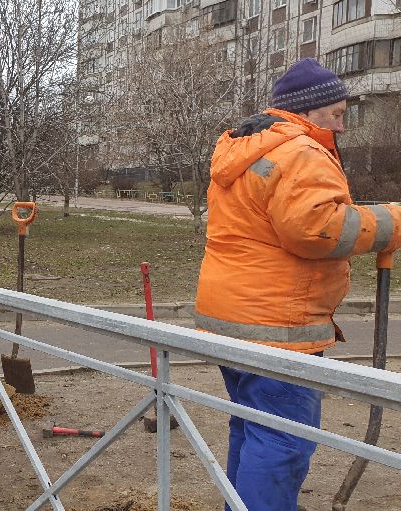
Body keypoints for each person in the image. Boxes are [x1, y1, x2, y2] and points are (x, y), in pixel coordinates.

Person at [195, 58, 401, 510]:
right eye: (338, 114)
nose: (343, 127)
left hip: (230, 320)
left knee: (251, 429)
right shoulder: (301, 152)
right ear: (309, 111)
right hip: (277, 328)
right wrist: (393, 219)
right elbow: (318, 230)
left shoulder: (247, 147)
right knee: (282, 443)